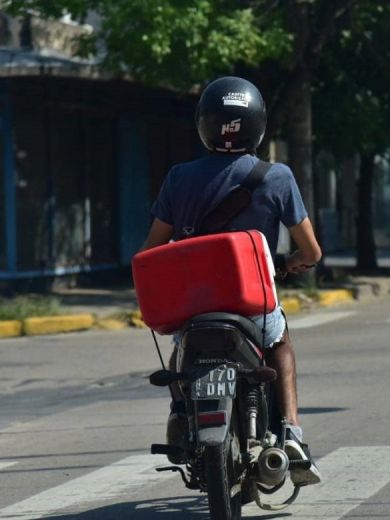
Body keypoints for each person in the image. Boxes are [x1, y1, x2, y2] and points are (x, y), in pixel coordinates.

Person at [139, 76, 322, 487]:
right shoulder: (277, 177)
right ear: (257, 124)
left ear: (205, 125)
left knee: (180, 354)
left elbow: (152, 249)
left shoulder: (179, 177)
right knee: (281, 344)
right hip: (250, 306)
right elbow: (312, 252)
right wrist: (291, 262)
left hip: (193, 308)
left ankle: (181, 414)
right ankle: (291, 433)